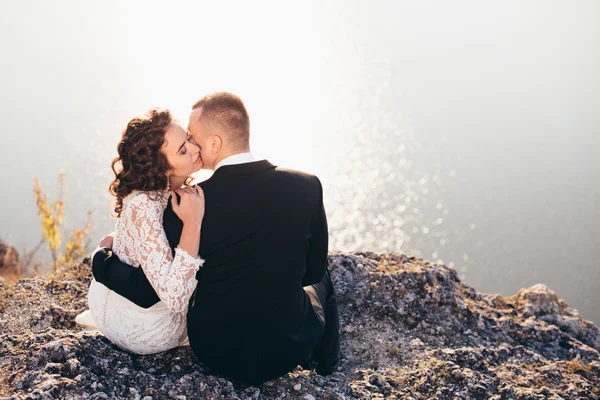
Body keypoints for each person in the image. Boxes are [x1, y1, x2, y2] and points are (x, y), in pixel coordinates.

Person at [92, 92, 340, 385]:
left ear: (215, 143)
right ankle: (328, 364)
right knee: (321, 273)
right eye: (185, 146)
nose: (194, 147)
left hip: (213, 349)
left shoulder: (185, 204)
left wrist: (102, 261)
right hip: (288, 346)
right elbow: (309, 273)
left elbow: (152, 284)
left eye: (191, 138)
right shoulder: (307, 186)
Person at [79, 108, 206, 355]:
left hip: (136, 297)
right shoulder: (143, 204)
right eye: (182, 150)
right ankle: (107, 320)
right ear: (162, 169)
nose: (195, 148)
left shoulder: (176, 191)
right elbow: (175, 299)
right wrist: (193, 223)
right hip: (148, 329)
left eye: (189, 139)